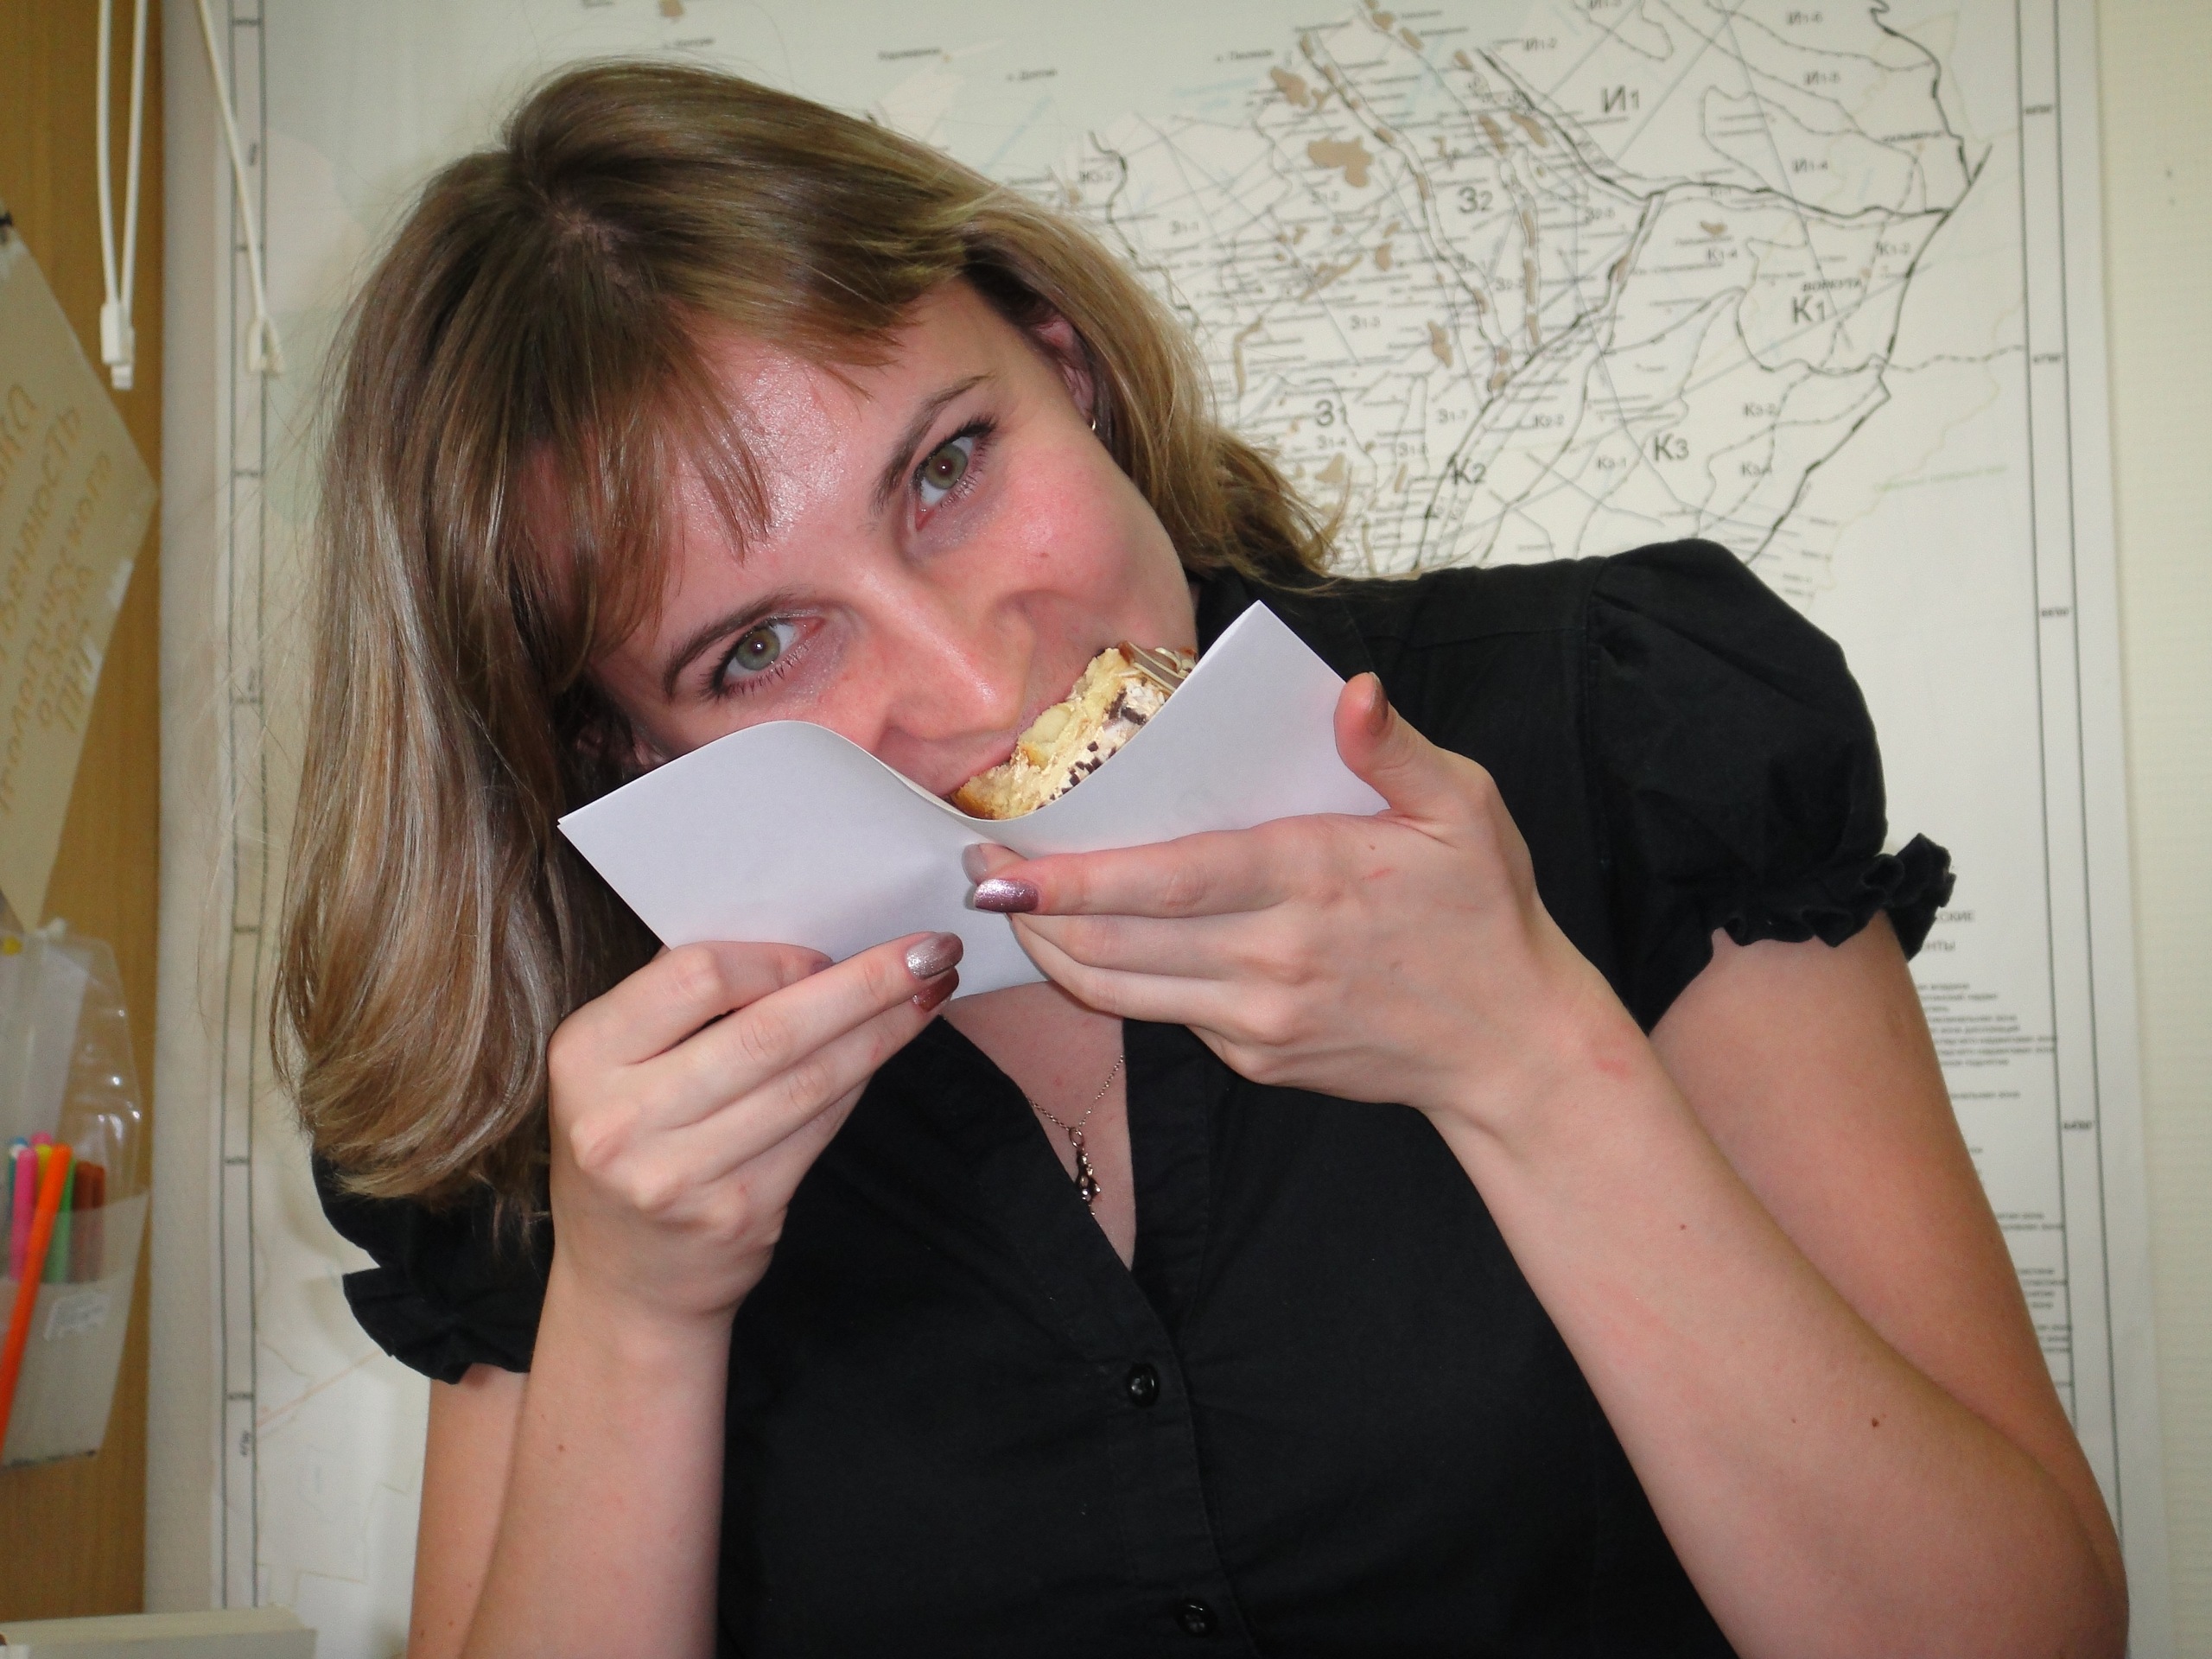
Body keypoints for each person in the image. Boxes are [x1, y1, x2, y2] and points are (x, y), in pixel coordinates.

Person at [279, 60, 2126, 1659]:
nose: (970, 682)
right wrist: (636, 1314)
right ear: (619, 745)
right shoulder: (583, 1090)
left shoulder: (1612, 734)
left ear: (1063, 362)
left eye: (946, 468)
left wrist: (1532, 1064)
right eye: (757, 647)